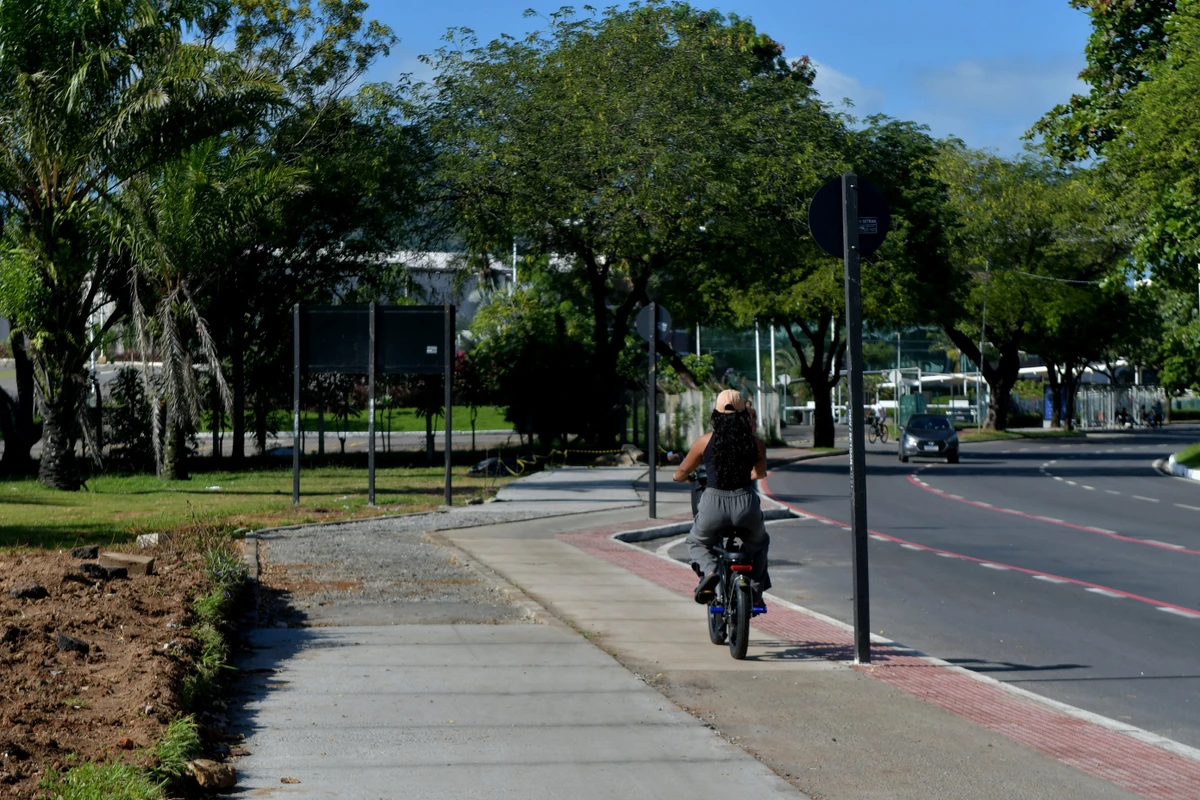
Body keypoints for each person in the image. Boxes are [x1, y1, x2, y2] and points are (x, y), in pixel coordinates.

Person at [672, 389, 770, 605]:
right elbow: (759, 474)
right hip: (746, 504)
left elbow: (681, 473)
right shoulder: (756, 443)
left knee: (696, 541)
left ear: (716, 414)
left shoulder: (704, 442)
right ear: (744, 413)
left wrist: (683, 476)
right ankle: (755, 591)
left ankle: (710, 571)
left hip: (713, 504)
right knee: (760, 544)